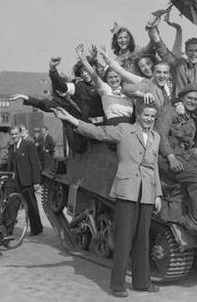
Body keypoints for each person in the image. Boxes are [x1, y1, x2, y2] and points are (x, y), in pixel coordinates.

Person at [54, 102, 163, 298]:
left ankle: (142, 282)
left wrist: (157, 194)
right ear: (138, 115)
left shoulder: (156, 137)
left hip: (146, 192)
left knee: (143, 239)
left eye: (152, 116)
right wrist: (71, 120)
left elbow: (154, 167)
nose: (149, 119)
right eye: (146, 115)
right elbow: (98, 132)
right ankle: (118, 285)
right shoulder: (124, 130)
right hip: (127, 190)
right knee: (123, 238)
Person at [154, 84, 197, 253]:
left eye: (196, 100)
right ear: (182, 98)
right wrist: (170, 157)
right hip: (165, 156)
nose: (193, 101)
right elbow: (160, 135)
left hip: (185, 154)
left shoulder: (189, 117)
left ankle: (190, 212)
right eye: (190, 98)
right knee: (196, 181)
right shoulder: (169, 111)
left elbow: (189, 142)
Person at [148, 20, 197, 95]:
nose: (193, 54)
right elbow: (165, 54)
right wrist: (155, 34)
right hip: (180, 104)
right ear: (186, 52)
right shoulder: (179, 65)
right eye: (190, 51)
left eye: (196, 51)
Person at [75, 44, 134, 125]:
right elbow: (94, 75)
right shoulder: (105, 89)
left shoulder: (127, 89)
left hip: (130, 125)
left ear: (120, 77)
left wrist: (106, 57)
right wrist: (83, 60)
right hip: (113, 126)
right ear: (106, 79)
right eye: (111, 77)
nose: (114, 79)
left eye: (116, 76)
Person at [7, 126, 43, 236]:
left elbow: (35, 164)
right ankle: (8, 231)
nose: (14, 136)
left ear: (20, 133)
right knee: (12, 205)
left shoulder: (28, 145)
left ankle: (36, 228)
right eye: (12, 134)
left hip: (27, 182)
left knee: (31, 206)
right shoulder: (11, 146)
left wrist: (36, 181)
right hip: (15, 182)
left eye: (16, 134)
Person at [49, 56, 106, 126]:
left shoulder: (105, 84)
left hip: (106, 127)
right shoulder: (79, 86)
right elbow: (61, 86)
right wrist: (53, 69)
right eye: (81, 72)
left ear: (93, 68)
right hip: (89, 127)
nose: (84, 74)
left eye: (86, 70)